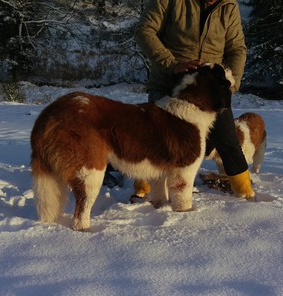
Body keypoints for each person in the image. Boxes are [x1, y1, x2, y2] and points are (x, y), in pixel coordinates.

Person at [108, 0, 255, 201]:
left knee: (227, 139)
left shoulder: (229, 6)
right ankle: (144, 191)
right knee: (154, 141)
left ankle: (246, 193)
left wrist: (229, 84)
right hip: (168, 82)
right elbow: (144, 30)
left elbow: (237, 48)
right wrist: (171, 64)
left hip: (210, 91)